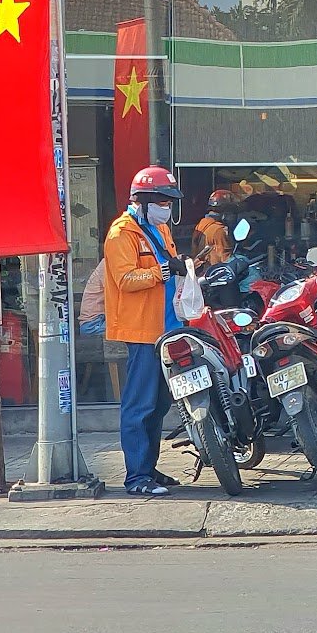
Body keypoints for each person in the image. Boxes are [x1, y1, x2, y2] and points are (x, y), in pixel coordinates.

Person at [104, 164, 184, 497]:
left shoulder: (158, 229)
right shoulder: (121, 234)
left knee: (160, 405)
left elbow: (169, 264)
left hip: (168, 328)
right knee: (139, 407)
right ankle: (136, 478)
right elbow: (125, 279)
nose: (167, 208)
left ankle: (148, 468)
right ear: (143, 200)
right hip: (142, 334)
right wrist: (163, 272)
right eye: (163, 201)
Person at [77, 255, 125, 404]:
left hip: (98, 321)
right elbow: (117, 295)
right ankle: (121, 394)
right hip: (93, 324)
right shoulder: (109, 264)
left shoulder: (109, 264)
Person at [191, 190, 234, 268]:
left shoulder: (201, 225)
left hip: (203, 271)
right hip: (216, 273)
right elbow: (225, 257)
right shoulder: (219, 230)